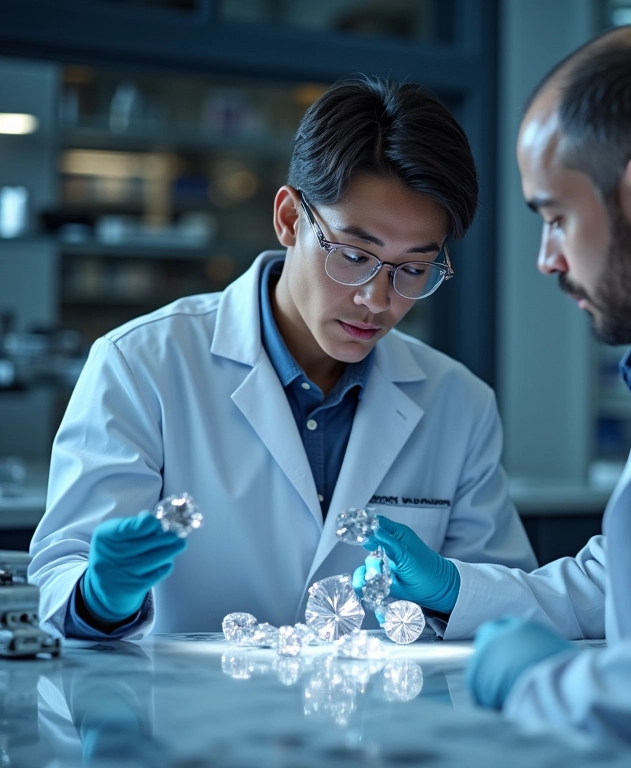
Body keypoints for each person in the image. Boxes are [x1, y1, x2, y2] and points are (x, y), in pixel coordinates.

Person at [353, 24, 631, 768]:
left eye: (555, 218)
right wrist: (455, 590)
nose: (547, 259)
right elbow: (623, 582)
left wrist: (537, 680)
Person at [28, 75, 537, 640]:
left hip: (380, 724)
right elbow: (59, 577)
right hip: (182, 721)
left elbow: (504, 603)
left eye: (413, 269)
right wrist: (100, 598)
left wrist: (453, 596)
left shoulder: (458, 402)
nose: (376, 299)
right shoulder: (140, 365)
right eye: (353, 254)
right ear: (291, 219)